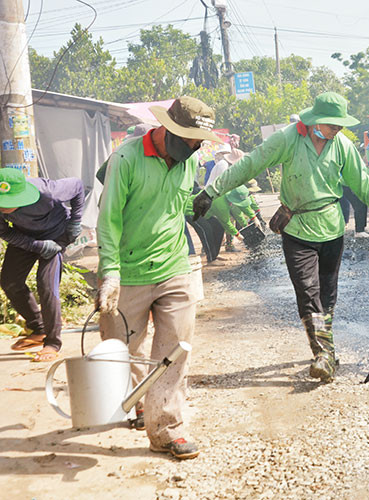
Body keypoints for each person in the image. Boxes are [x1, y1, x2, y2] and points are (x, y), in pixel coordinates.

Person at [193, 92, 369, 382]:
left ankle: (327, 349)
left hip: (332, 229)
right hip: (296, 228)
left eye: (339, 125)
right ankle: (322, 354)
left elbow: (364, 184)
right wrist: (212, 191)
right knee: (307, 291)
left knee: (327, 293)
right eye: (332, 125)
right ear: (315, 121)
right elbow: (251, 164)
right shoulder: (287, 140)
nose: (337, 130)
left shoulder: (342, 146)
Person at [96, 96, 219, 460]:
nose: (196, 147)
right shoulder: (127, 158)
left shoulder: (190, 160)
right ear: (168, 129)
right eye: (190, 139)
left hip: (173, 267)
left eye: (200, 142)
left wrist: (195, 204)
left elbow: (174, 206)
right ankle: (135, 400)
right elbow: (109, 219)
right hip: (129, 269)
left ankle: (167, 427)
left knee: (176, 349)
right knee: (123, 349)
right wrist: (110, 274)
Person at [0, 169, 84, 362]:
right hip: (25, 236)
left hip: (56, 235)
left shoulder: (48, 192)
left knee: (47, 285)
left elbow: (78, 186)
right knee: (10, 282)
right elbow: (4, 232)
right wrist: (36, 245)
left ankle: (53, 343)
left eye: (8, 204)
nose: (4, 208)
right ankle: (38, 329)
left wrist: (75, 222)